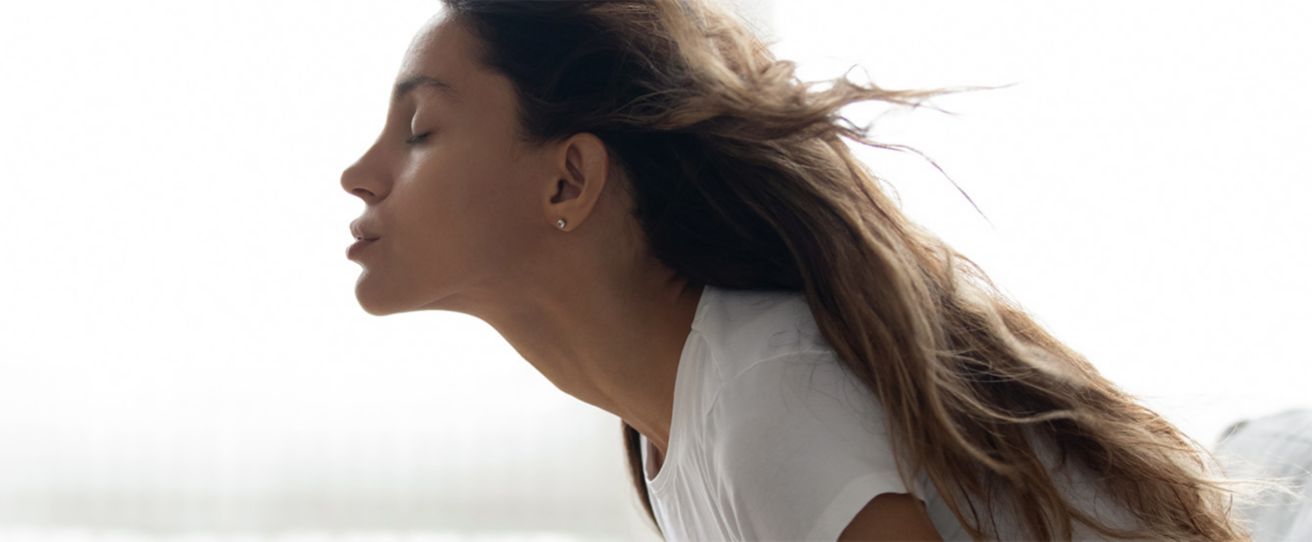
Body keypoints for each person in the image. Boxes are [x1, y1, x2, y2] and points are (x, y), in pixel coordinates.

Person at [337, 0, 1245, 539]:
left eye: (420, 132)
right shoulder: (672, 431)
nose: (359, 173)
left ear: (568, 178)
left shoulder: (764, 394)